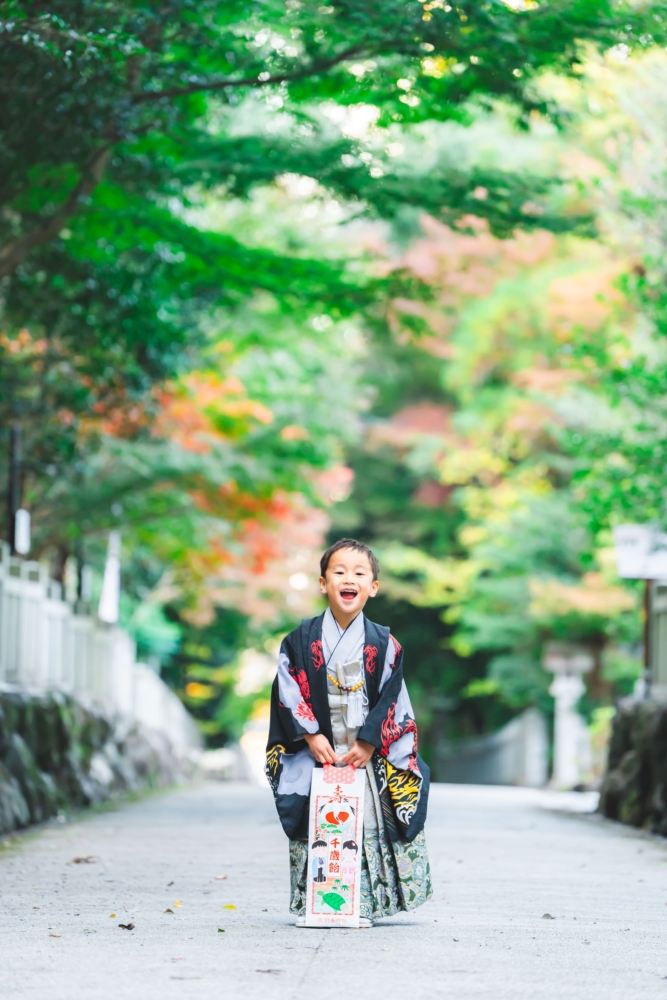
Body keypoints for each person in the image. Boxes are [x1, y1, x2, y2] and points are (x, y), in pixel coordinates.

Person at [265, 537, 432, 927]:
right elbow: (287, 688)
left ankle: (364, 904)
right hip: (318, 749)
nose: (348, 579)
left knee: (367, 823)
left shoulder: (384, 643)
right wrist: (310, 735)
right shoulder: (300, 640)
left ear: (373, 587)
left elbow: (395, 697)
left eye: (359, 573)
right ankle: (319, 902)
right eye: (338, 571)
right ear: (323, 583)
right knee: (319, 823)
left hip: (365, 751)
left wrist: (371, 741)